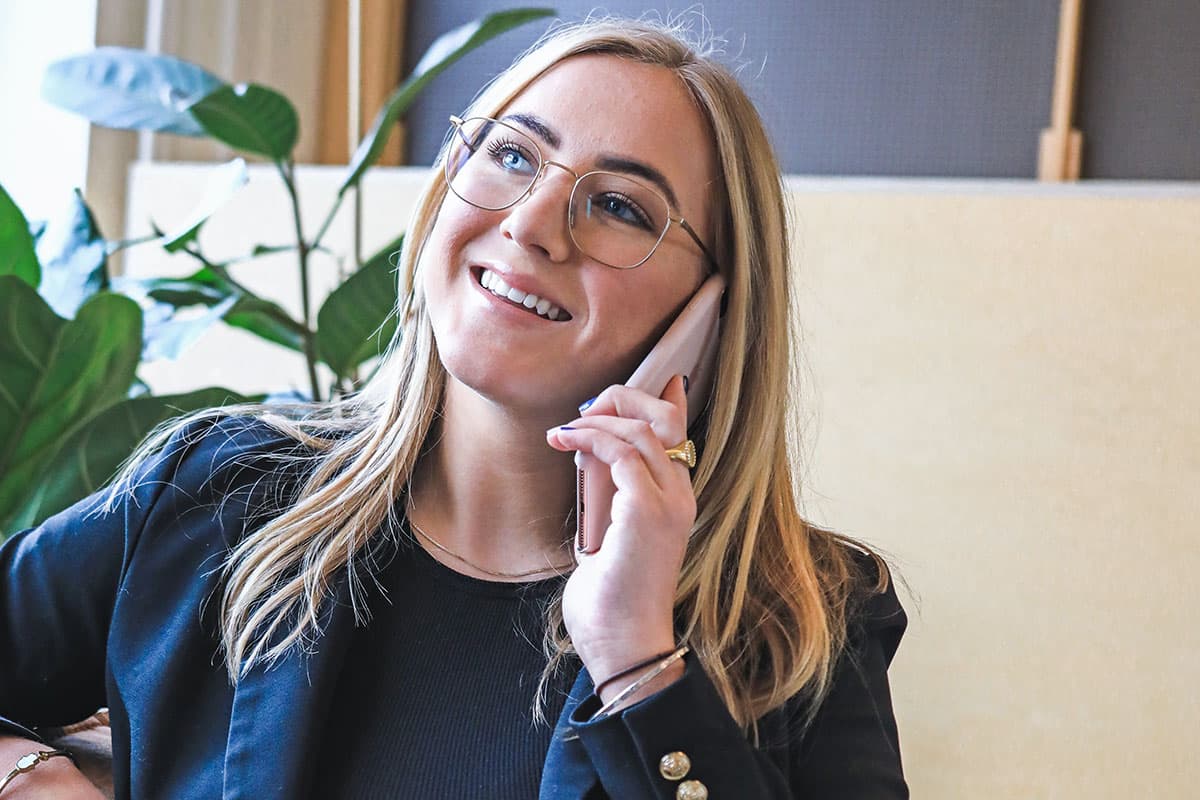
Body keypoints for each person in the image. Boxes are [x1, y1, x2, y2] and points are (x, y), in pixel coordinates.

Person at [0, 15, 908, 800]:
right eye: (513, 154)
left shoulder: (805, 621)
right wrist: (27, 776)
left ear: (711, 313)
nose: (530, 222)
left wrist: (637, 661)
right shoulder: (213, 496)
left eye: (621, 207)